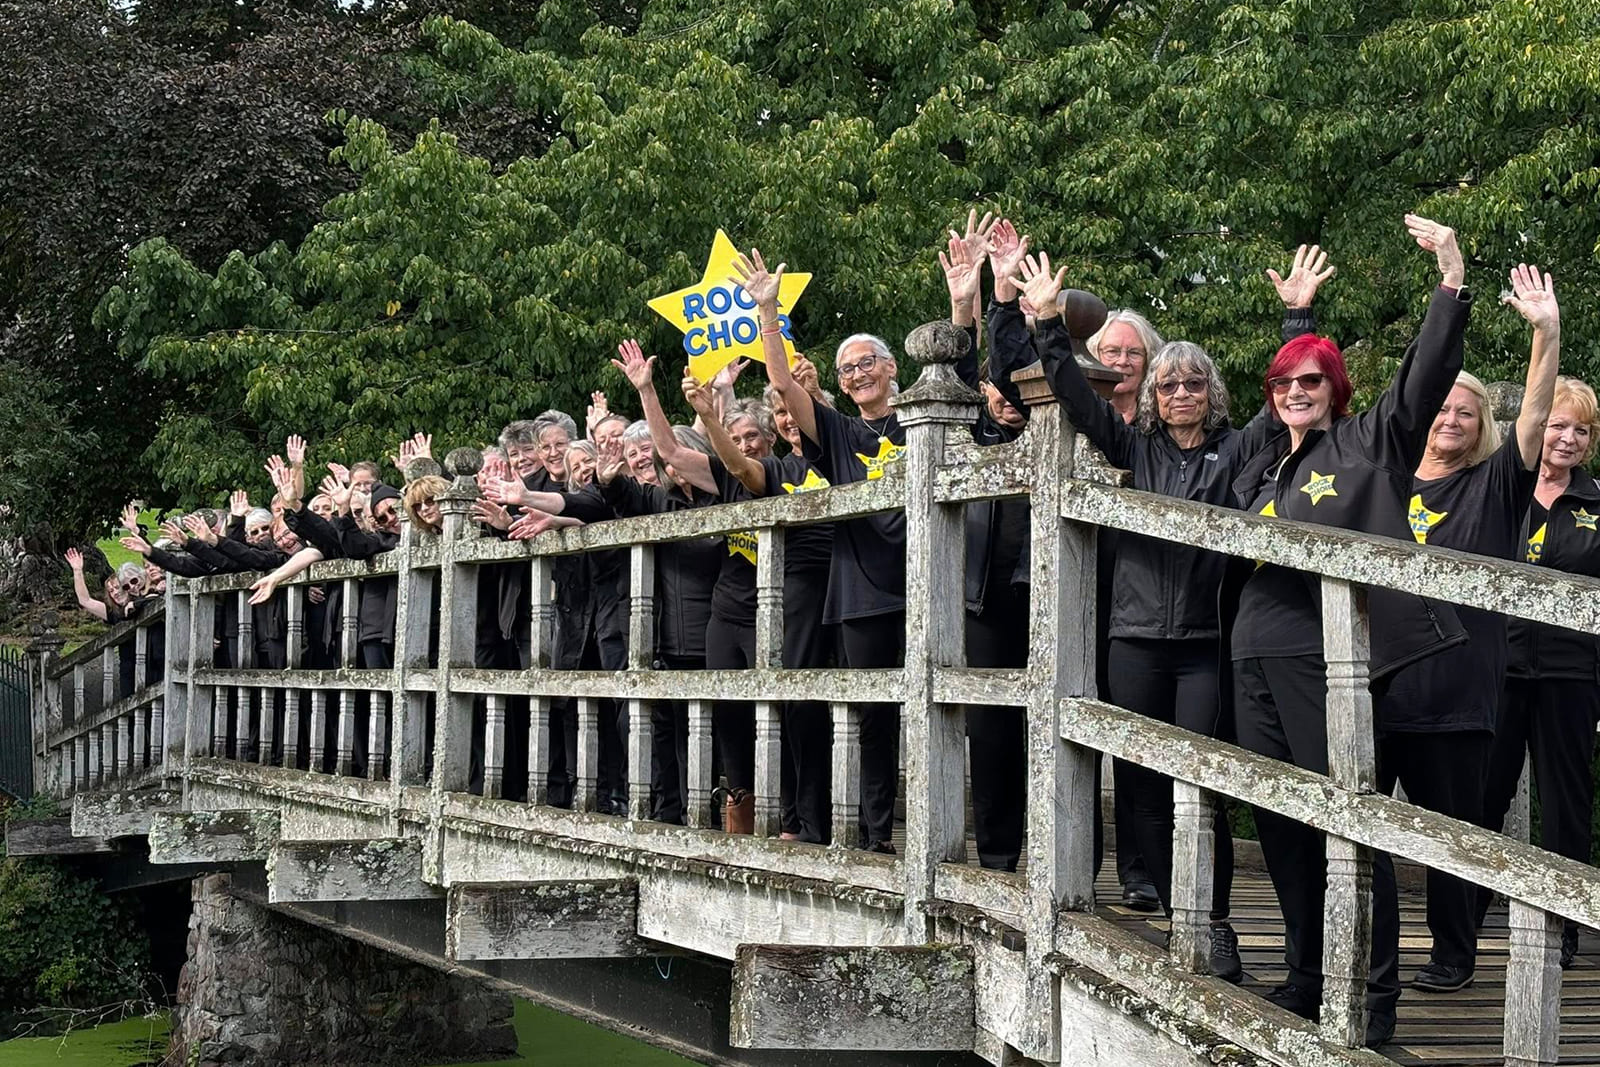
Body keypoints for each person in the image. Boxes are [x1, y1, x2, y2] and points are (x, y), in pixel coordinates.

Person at [1229, 215, 1472, 1047]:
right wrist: (1294, 320)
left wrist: (1449, 279)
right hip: (1252, 647)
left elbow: (1423, 379)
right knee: (1281, 817)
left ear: (1337, 391)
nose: (1297, 391)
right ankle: (1304, 971)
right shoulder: (1265, 462)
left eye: (1312, 382)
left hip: (1324, 652)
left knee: (1341, 817)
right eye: (1283, 383)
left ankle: (1367, 996)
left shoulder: (1372, 444)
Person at [1296, 264, 1559, 992]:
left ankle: (1453, 954)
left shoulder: (1496, 485)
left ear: (1481, 428)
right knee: (1360, 820)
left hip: (1456, 685)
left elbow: (1534, 422)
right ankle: (1356, 956)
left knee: (1452, 830)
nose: (1449, 418)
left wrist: (1547, 333)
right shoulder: (1380, 479)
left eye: (1466, 412)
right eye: (1441, 407)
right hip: (1372, 678)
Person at [742, 247, 905, 853]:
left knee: (945, 705)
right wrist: (767, 311)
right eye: (847, 369)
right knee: (872, 715)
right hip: (861, 589)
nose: (858, 373)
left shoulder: (922, 420)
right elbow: (782, 384)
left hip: (926, 581)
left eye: (867, 363)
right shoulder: (842, 433)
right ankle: (876, 834)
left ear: (891, 369)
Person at [1480, 372, 1599, 970]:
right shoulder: (1502, 490)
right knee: (1482, 795)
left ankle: (1563, 928)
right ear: (1535, 429)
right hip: (1498, 668)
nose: (1568, 438)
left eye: (1581, 429)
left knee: (1565, 802)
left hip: (1571, 674)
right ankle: (1462, 927)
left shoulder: (1597, 505)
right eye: (1558, 425)